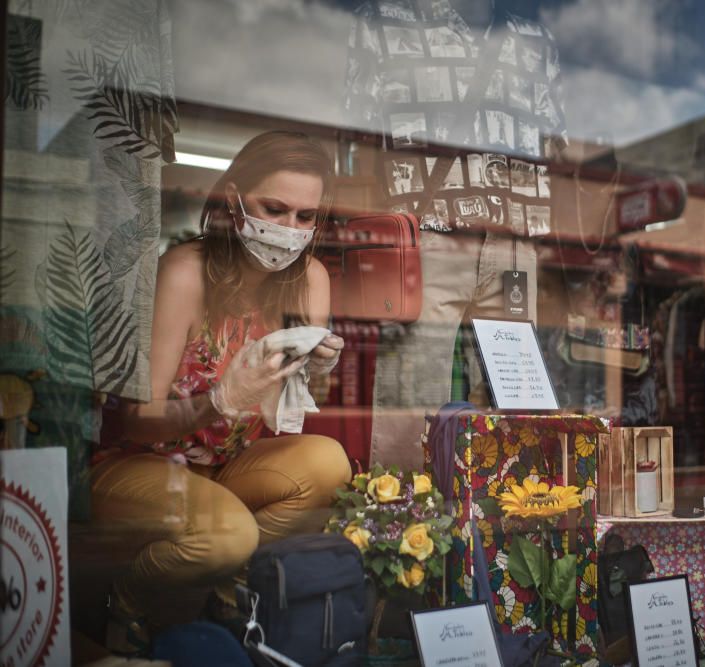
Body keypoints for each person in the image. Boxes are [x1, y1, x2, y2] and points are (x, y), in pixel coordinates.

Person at [92, 131, 352, 655]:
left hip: (225, 463)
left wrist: (318, 369)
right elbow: (135, 422)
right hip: (138, 462)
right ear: (232, 196)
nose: (289, 230)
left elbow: (288, 413)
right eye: (274, 209)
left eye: (306, 217)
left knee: (331, 464)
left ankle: (226, 591)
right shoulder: (186, 271)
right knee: (229, 535)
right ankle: (122, 600)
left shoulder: (311, 279)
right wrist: (218, 400)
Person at [344, 0, 569, 469]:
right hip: (428, 232)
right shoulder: (385, 20)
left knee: (514, 397)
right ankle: (404, 527)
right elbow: (356, 136)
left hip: (512, 238)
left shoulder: (533, 39)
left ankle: (507, 516)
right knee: (411, 394)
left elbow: (552, 143)